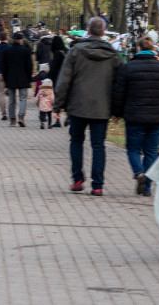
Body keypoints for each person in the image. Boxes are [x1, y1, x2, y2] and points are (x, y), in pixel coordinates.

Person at [53, 17, 123, 196]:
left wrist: (58, 106)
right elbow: (119, 85)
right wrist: (117, 110)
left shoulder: (76, 51)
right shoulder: (113, 55)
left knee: (76, 141)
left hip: (78, 105)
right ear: (104, 32)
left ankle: (77, 179)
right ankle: (97, 184)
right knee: (98, 145)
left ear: (88, 31)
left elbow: (64, 80)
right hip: (102, 107)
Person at [111, 36, 159, 196]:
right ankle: (147, 187)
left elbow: (119, 93)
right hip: (158, 117)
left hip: (135, 115)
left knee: (133, 148)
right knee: (151, 151)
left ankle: (138, 173)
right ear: (153, 48)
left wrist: (117, 113)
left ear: (139, 49)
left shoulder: (128, 67)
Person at [1, 32, 33, 127]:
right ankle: (21, 116)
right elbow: (29, 66)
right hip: (23, 78)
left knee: (11, 99)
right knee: (23, 98)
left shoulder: (7, 51)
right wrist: (29, 77)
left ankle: (12, 119)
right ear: (20, 40)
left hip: (11, 78)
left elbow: (4, 67)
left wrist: (6, 78)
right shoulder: (26, 51)